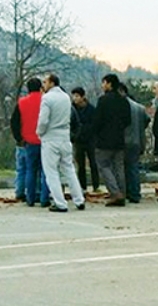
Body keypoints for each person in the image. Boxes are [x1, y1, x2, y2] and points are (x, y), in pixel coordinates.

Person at [36, 73, 86, 212]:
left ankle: (60, 202)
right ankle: (79, 199)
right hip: (65, 136)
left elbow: (43, 120)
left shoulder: (47, 98)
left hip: (51, 138)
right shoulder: (65, 98)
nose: (44, 85)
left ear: (52, 83)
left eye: (45, 82)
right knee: (69, 170)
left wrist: (39, 132)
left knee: (51, 172)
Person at [9, 77, 50, 207]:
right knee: (45, 171)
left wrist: (19, 138)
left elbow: (14, 122)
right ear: (40, 88)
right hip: (45, 140)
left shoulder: (22, 102)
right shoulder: (46, 101)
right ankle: (44, 198)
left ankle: (30, 199)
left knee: (30, 170)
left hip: (28, 141)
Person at [92, 73, 131, 206]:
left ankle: (115, 193)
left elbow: (97, 120)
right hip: (119, 139)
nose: (102, 85)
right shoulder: (123, 100)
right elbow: (128, 120)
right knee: (119, 167)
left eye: (104, 83)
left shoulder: (103, 100)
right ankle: (122, 192)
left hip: (104, 140)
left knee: (103, 166)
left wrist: (96, 133)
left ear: (109, 84)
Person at [120, 83, 150, 203]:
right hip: (137, 140)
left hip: (125, 141)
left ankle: (128, 192)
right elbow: (147, 120)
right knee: (134, 168)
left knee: (125, 168)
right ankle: (135, 192)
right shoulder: (140, 108)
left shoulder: (122, 107)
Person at [70, 87, 100, 192]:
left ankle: (96, 185)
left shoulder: (91, 109)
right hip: (78, 141)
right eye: (73, 96)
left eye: (77, 96)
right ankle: (82, 186)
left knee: (93, 163)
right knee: (80, 165)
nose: (75, 98)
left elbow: (95, 124)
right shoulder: (72, 109)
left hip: (91, 140)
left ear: (83, 97)